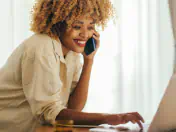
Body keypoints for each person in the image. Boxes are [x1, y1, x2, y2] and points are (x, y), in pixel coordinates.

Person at [0, 0, 144, 132]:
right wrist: (107, 118)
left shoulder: (72, 53)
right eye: (77, 26)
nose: (85, 34)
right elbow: (49, 112)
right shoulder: (41, 47)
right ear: (57, 22)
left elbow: (73, 108)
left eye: (90, 27)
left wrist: (89, 61)